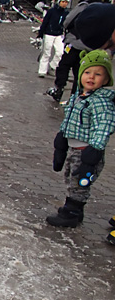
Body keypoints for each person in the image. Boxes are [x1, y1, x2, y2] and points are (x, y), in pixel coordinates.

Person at [47, 50, 115, 228]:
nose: (91, 77)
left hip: (87, 151)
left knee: (79, 182)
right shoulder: (80, 97)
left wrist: (94, 152)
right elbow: (68, 119)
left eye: (98, 74)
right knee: (71, 178)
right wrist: (61, 139)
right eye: (87, 72)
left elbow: (104, 126)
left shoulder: (101, 101)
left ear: (106, 79)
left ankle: (72, 212)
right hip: (74, 148)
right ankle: (74, 209)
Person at [47, 0, 109, 102]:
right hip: (91, 46)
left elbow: (68, 21)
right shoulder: (105, 9)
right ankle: (77, 95)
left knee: (64, 66)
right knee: (81, 71)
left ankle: (58, 88)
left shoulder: (85, 5)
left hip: (75, 42)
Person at [36, 0, 69, 78]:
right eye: (63, 1)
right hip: (49, 33)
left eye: (66, 2)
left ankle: (53, 66)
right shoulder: (52, 11)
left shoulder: (66, 13)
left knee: (60, 52)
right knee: (46, 52)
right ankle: (42, 71)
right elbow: (45, 22)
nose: (64, 3)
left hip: (59, 34)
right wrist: (41, 33)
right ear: (59, 1)